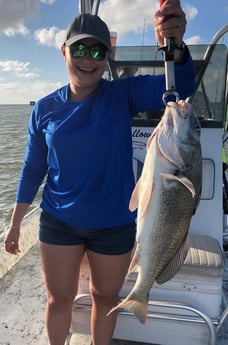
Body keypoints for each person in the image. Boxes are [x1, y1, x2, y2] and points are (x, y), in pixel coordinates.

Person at [4, 1, 195, 345]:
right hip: (58, 222)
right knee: (58, 299)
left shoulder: (122, 94)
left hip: (115, 223)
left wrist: (175, 46)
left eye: (97, 50)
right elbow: (33, 169)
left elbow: (179, 85)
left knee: (105, 299)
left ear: (107, 57)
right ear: (64, 51)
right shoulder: (45, 109)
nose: (87, 58)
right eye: (79, 48)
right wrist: (16, 222)